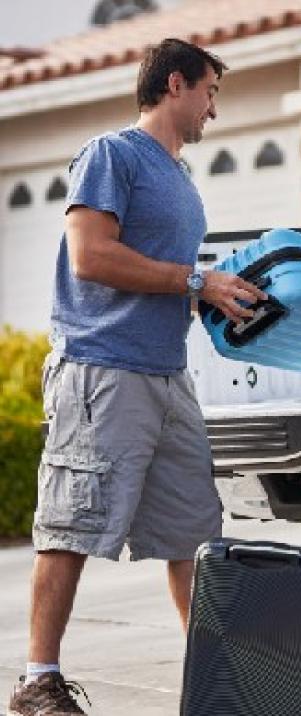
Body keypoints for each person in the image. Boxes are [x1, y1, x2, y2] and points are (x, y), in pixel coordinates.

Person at [8, 38, 265, 716]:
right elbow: (90, 255)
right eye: (210, 92)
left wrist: (217, 294)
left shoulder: (181, 180)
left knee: (192, 534)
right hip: (103, 369)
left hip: (166, 373)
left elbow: (173, 278)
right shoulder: (112, 155)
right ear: (175, 84)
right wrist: (194, 279)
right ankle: (38, 680)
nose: (214, 108)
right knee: (72, 522)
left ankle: (216, 680)